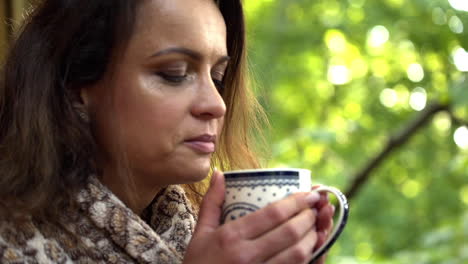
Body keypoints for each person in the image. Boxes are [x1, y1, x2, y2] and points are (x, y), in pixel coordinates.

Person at [0, 0, 335, 263]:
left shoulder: (205, 236)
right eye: (174, 73)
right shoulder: (12, 242)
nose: (216, 105)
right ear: (76, 88)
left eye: (217, 77)